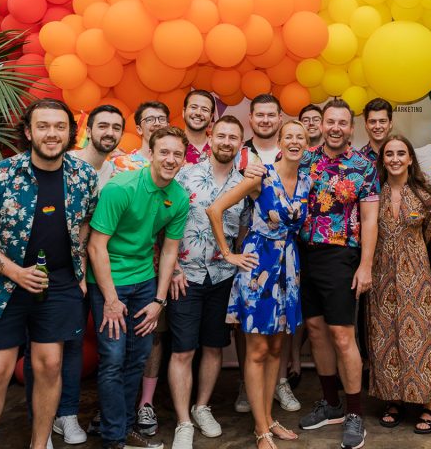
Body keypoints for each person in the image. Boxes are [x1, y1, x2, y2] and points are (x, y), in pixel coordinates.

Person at [0, 99, 98, 449]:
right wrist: (16, 273)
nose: (52, 134)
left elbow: (85, 223)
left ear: (70, 132)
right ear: (28, 131)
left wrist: (80, 269)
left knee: (50, 365)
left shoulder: (84, 175)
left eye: (59, 126)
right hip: (1, 285)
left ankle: (39, 444)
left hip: (59, 284)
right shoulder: (0, 174)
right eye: (43, 126)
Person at [23, 103, 125, 446]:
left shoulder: (120, 169)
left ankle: (66, 414)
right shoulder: (65, 164)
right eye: (102, 126)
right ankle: (43, 422)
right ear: (87, 131)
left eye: (116, 127)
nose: (109, 132)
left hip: (101, 271)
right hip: (60, 273)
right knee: (47, 348)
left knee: (75, 345)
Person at [207, 120, 312, 449]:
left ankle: (268, 418)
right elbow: (215, 209)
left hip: (288, 268)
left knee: (277, 349)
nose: (294, 141)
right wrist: (229, 254)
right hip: (258, 268)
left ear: (307, 144)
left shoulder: (307, 181)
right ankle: (260, 428)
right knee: (257, 351)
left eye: (300, 137)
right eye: (289, 136)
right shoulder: (261, 176)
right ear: (280, 142)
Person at [87, 126, 191, 449]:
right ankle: (113, 438)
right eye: (164, 152)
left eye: (177, 154)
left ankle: (124, 428)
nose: (170, 159)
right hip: (110, 281)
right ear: (151, 154)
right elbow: (96, 247)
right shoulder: (121, 188)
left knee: (138, 357)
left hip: (145, 281)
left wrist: (159, 300)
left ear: (184, 159)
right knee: (113, 358)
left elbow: (170, 251)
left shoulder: (179, 197)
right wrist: (111, 300)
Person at [295, 98, 379, 449]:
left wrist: (365, 265)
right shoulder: (304, 160)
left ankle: (355, 412)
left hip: (341, 256)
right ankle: (331, 404)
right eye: (330, 121)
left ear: (351, 128)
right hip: (303, 254)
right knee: (315, 331)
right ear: (321, 124)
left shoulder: (364, 166)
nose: (335, 128)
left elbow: (370, 219)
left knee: (343, 336)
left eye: (342, 123)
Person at [167, 117, 249, 449]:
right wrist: (172, 268)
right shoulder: (184, 176)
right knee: (183, 350)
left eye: (234, 137)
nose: (227, 142)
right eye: (222, 135)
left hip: (222, 277)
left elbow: (243, 230)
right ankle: (183, 422)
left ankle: (201, 407)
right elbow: (163, 224)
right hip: (184, 277)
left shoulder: (243, 185)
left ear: (240, 144)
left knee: (214, 347)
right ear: (211, 138)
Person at [367, 135, 431, 434]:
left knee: (420, 336)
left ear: (410, 159)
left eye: (401, 153)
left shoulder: (425, 195)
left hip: (416, 275)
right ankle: (393, 400)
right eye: (389, 154)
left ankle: (428, 403)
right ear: (383, 160)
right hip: (380, 273)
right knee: (384, 336)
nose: (395, 159)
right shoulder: (373, 193)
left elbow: (430, 233)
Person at [111, 101, 171, 174]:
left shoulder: (177, 164)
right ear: (139, 129)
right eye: (149, 119)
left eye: (162, 119)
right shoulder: (122, 163)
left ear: (168, 127)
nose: (157, 123)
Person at [243, 93, 283, 164]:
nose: (265, 120)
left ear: (279, 118)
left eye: (271, 115)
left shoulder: (292, 152)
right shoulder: (238, 153)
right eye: (260, 115)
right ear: (251, 118)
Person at [183, 90, 216, 165]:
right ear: (183, 112)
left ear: (211, 117)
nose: (198, 113)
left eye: (204, 110)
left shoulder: (218, 146)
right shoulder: (171, 145)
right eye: (193, 107)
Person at [358, 98, 393, 164]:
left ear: (390, 124)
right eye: (372, 121)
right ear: (366, 125)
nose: (377, 126)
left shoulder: (401, 156)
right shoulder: (358, 158)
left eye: (382, 121)